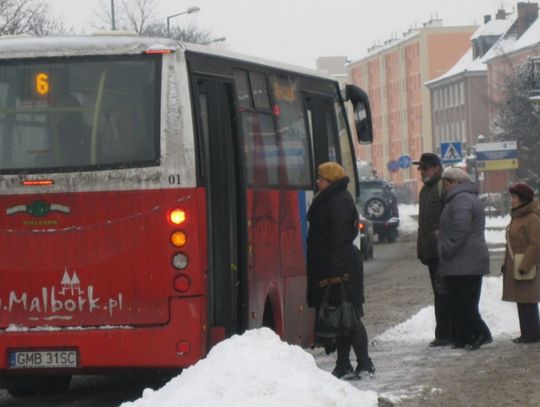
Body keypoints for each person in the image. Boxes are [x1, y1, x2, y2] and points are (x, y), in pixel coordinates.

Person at [306, 162, 374, 379]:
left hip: (342, 269)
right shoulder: (332, 198)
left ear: (330, 180)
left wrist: (335, 273)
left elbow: (339, 238)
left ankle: (365, 364)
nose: (318, 182)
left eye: (321, 178)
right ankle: (343, 364)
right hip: (334, 266)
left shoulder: (338, 201)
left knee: (350, 317)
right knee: (340, 318)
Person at [437, 167, 492, 350]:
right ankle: (466, 337)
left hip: (464, 260)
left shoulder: (461, 199)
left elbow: (460, 230)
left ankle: (481, 333)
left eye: (446, 184)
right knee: (463, 301)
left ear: (455, 183)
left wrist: (446, 248)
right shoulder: (463, 198)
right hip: (465, 260)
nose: (444, 188)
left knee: (464, 302)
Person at [413, 152, 453, 347]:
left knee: (444, 292)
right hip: (431, 252)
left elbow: (452, 217)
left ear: (436, 168)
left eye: (425, 168)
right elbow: (423, 225)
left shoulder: (442, 187)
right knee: (439, 292)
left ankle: (446, 334)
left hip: (443, 251)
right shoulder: (425, 190)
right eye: (420, 169)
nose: (421, 172)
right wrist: (421, 249)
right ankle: (445, 332)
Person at [502, 182, 540, 343]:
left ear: (523, 200)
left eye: (515, 197)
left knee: (528, 300)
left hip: (527, 266)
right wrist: (506, 264)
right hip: (516, 264)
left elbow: (536, 244)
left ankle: (532, 334)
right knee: (521, 300)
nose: (512, 200)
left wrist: (525, 265)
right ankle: (527, 333)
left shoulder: (532, 218)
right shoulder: (517, 217)